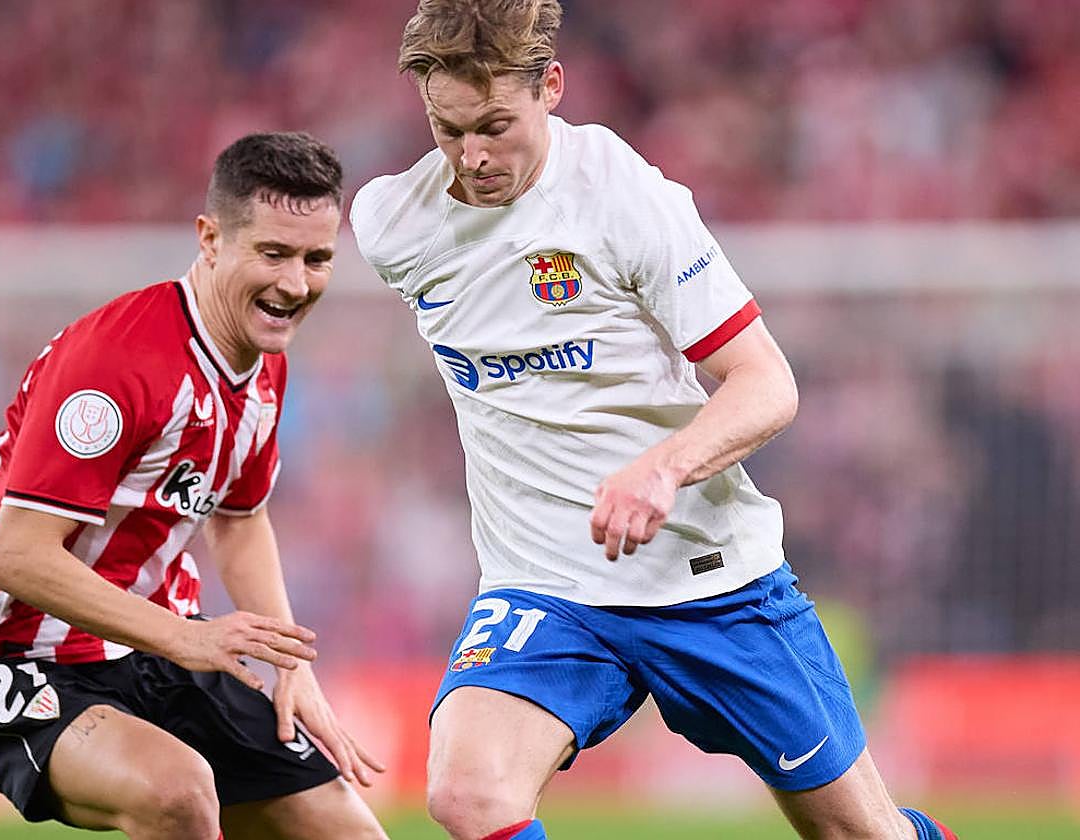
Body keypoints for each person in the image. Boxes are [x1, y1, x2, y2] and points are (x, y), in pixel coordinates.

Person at [350, 3, 956, 840]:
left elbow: (766, 383)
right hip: (546, 585)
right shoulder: (393, 222)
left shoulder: (619, 195)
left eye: (495, 125)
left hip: (706, 581)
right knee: (469, 797)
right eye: (448, 129)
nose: (473, 156)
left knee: (861, 834)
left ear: (551, 87)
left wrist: (663, 466)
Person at [0, 132, 388, 840]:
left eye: (316, 258)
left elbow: (240, 517)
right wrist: (182, 638)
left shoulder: (262, 366)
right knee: (176, 792)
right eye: (273, 253)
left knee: (348, 833)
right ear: (209, 238)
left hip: (160, 646)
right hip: (19, 653)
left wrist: (289, 666)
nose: (296, 285)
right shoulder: (115, 364)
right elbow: (16, 556)